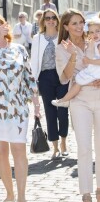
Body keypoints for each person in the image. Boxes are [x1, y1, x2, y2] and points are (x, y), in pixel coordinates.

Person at [0, 12, 40, 202]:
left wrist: (36, 104)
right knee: (0, 153)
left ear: (6, 26)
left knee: (19, 150)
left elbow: (29, 78)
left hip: (18, 108)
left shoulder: (20, 49)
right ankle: (9, 194)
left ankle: (21, 196)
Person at [55, 8, 100, 202]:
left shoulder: (96, 40)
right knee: (84, 148)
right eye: (74, 23)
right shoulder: (61, 49)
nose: (80, 27)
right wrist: (73, 55)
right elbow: (64, 78)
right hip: (79, 99)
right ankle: (86, 196)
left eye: (81, 22)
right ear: (65, 26)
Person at [31, 9, 69, 159]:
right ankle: (55, 146)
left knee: (62, 111)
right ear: (43, 21)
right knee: (50, 111)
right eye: (48, 18)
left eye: (53, 17)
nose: (51, 20)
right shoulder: (37, 39)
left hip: (61, 76)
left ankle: (64, 143)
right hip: (45, 77)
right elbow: (34, 62)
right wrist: (33, 83)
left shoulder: (62, 36)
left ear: (57, 20)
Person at [52, 19, 100, 107]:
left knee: (78, 81)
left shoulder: (97, 44)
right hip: (83, 99)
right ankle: (64, 100)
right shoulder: (93, 42)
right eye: (92, 32)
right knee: (78, 81)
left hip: (96, 70)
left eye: (98, 31)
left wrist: (90, 61)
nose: (95, 34)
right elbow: (66, 76)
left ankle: (64, 100)